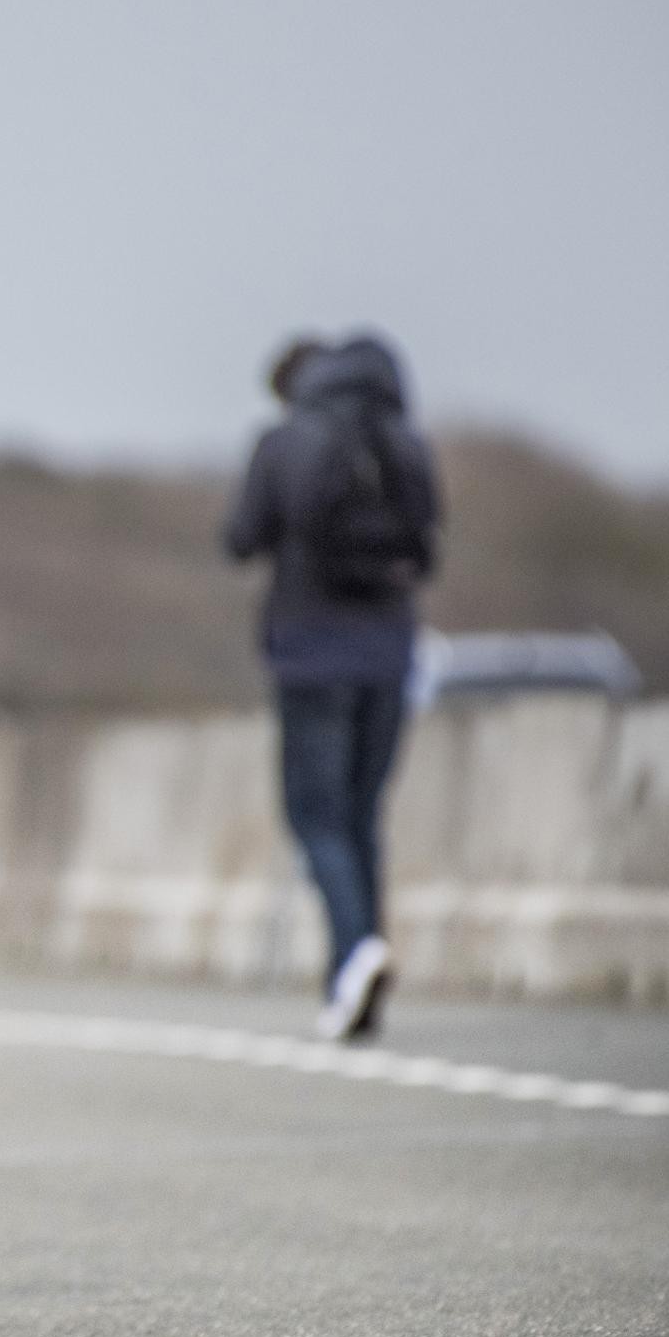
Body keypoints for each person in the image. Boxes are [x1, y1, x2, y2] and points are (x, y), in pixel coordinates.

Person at [224, 332, 441, 1041]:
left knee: (316, 818)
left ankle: (355, 955)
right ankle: (353, 980)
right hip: (389, 655)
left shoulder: (286, 440)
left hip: (312, 655)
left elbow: (239, 536)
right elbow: (428, 548)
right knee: (360, 815)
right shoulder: (404, 440)